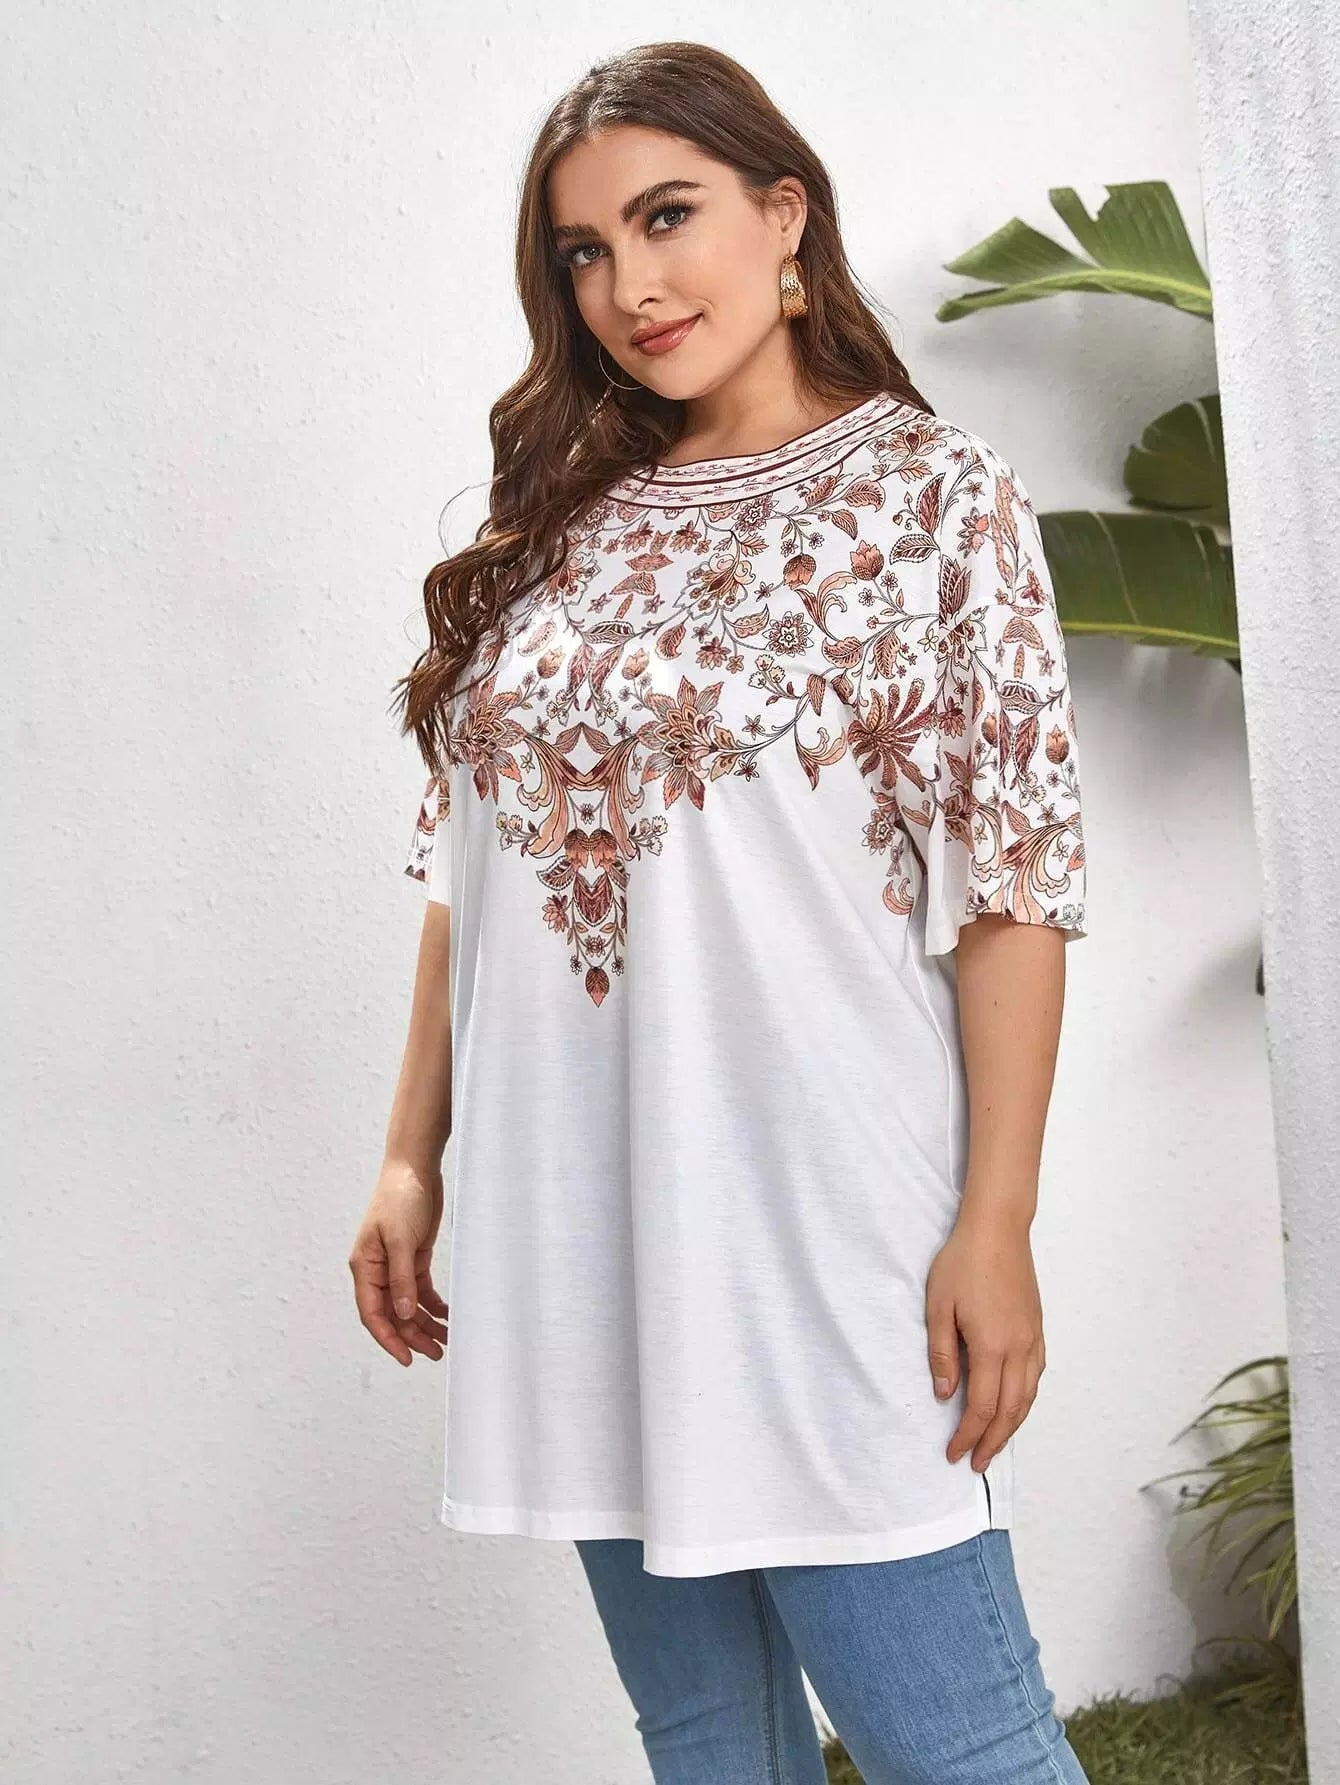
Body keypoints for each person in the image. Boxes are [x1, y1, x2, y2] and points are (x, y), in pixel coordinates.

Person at [350, 40, 1091, 1785]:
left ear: (785, 212)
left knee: (959, 1746)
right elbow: (468, 869)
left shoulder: (934, 499)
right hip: (582, 1218)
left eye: (667, 217)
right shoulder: (559, 523)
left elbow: (1015, 885)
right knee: (704, 1739)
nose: (631, 284)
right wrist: (407, 1156)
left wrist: (997, 1221)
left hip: (821, 1229)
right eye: (585, 251)